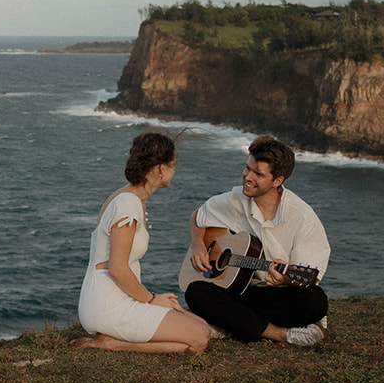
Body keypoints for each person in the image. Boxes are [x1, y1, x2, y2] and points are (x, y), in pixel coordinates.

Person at [183, 135, 330, 347]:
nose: (247, 177)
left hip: (274, 297)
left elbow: (309, 276)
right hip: (240, 292)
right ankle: (280, 334)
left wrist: (285, 279)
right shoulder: (234, 201)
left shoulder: (302, 217)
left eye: (257, 173)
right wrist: (198, 244)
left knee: (315, 301)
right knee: (196, 291)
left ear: (277, 181)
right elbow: (198, 217)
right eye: (247, 168)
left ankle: (236, 324)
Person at [74, 130, 211, 353]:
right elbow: (117, 269)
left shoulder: (129, 197)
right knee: (199, 338)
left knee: (202, 327)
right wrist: (152, 299)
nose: (174, 171)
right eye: (173, 165)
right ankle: (113, 344)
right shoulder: (127, 203)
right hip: (107, 305)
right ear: (160, 168)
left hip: (117, 298)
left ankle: (112, 340)